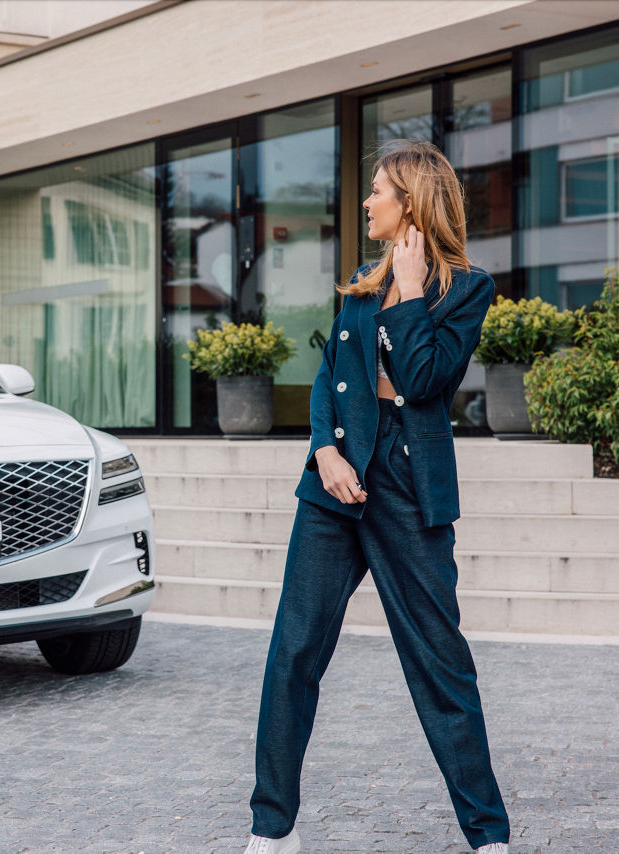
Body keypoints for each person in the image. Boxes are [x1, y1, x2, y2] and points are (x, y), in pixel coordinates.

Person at [243, 140, 511, 854]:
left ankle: (489, 838)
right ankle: (271, 830)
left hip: (407, 482)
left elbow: (424, 381)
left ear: (412, 202)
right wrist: (324, 451)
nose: (366, 202)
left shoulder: (465, 288)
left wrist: (415, 290)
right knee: (293, 652)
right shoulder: (364, 278)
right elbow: (332, 370)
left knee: (439, 663)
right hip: (335, 481)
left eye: (378, 192)